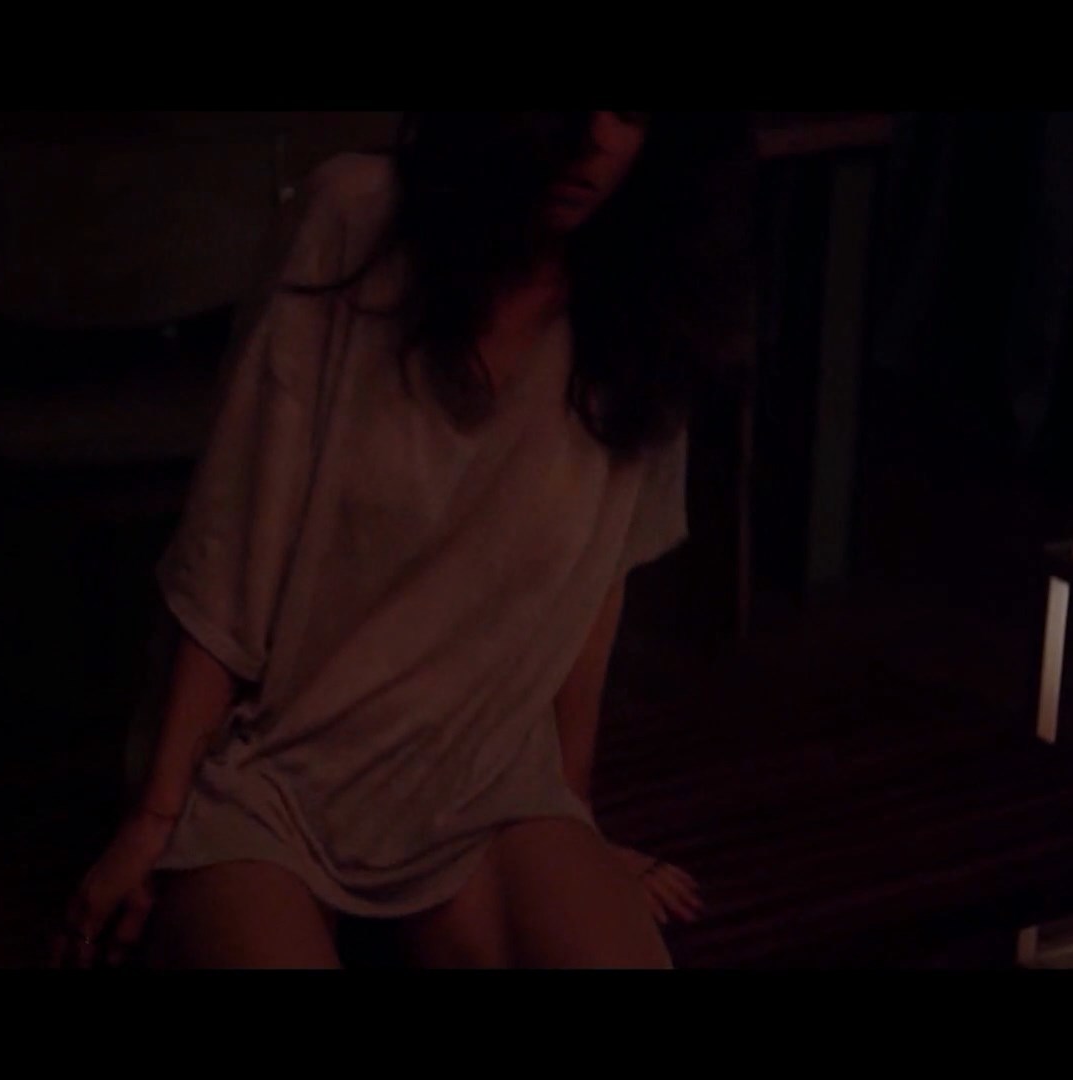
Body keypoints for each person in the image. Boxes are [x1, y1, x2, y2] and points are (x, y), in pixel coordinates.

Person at [54, 111, 756, 969]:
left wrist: (576, 818)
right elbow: (227, 547)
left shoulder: (653, 301)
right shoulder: (354, 218)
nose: (596, 140)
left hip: (480, 773)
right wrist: (156, 814)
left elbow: (588, 596)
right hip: (267, 767)